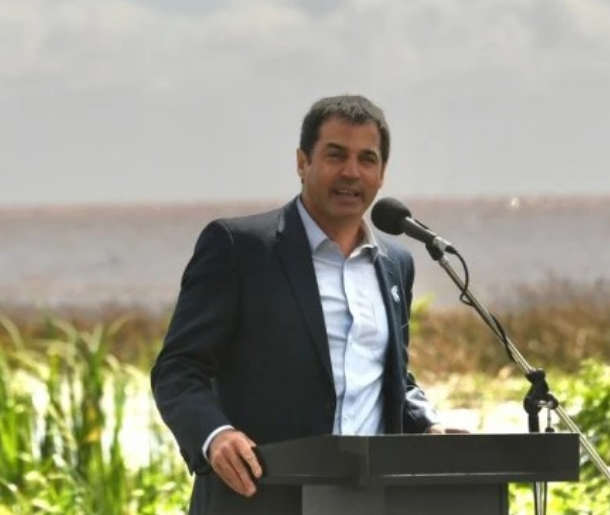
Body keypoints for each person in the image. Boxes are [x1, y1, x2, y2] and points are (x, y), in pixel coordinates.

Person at [151, 94, 456, 514]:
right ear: (302, 162)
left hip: (366, 502)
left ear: (382, 174)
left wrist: (429, 423)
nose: (351, 172)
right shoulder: (240, 248)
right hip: (257, 500)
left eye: (367, 159)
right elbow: (178, 369)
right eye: (335, 155)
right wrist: (215, 435)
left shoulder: (396, 264)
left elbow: (390, 376)